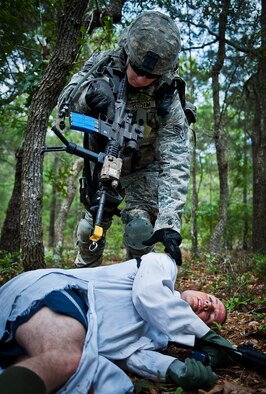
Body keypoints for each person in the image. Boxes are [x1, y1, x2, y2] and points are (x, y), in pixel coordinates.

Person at [57, 11, 196, 267]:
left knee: (141, 231)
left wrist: (168, 221)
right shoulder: (103, 64)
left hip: (143, 168)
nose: (141, 79)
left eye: (149, 75)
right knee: (90, 229)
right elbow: (64, 105)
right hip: (101, 161)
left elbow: (176, 159)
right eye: (137, 69)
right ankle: (83, 280)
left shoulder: (168, 92)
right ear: (128, 53)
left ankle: (138, 284)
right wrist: (87, 96)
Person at [0, 252, 233, 394]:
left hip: (68, 331)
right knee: (65, 358)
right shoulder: (163, 265)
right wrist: (203, 333)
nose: (207, 306)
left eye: (210, 317)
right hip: (55, 293)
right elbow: (149, 297)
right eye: (211, 300)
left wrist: (176, 369)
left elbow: (132, 358)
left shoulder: (160, 338)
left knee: (104, 385)